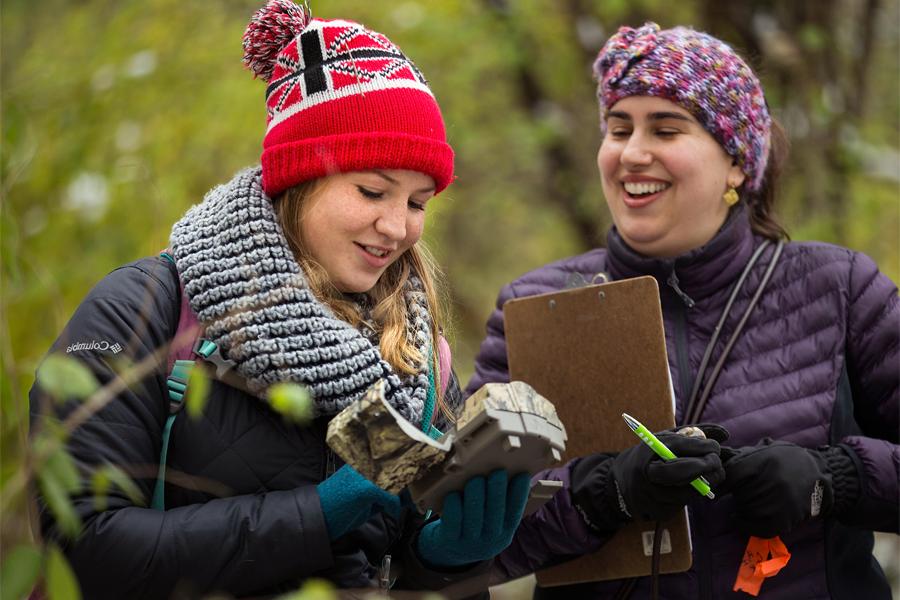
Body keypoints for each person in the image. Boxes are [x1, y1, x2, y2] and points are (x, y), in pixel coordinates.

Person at [28, 1, 529, 597]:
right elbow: (83, 548)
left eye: (417, 203)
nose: (397, 227)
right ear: (298, 176)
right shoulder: (145, 312)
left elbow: (397, 564)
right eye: (373, 190)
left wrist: (448, 560)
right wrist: (317, 513)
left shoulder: (421, 360)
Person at [467, 22, 899, 599]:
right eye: (618, 129)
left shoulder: (839, 287)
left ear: (737, 165)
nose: (632, 153)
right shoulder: (534, 305)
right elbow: (455, 536)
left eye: (666, 128)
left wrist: (832, 479)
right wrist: (603, 496)